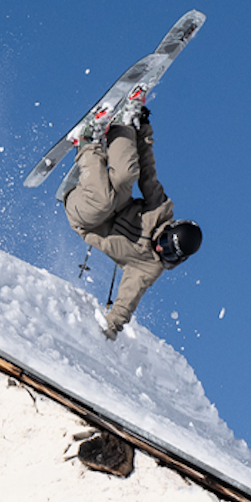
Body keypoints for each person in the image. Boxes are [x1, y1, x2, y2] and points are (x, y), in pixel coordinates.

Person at [60, 106, 202, 339]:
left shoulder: (149, 267)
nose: (159, 249)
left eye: (168, 254)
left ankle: (86, 142)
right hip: (109, 197)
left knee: (103, 201)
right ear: (169, 228)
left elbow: (127, 301)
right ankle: (121, 124)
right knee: (128, 175)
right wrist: (142, 127)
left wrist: (110, 329)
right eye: (165, 243)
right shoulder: (160, 209)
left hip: (84, 218)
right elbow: (148, 170)